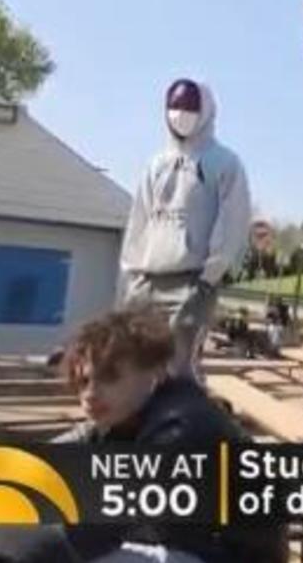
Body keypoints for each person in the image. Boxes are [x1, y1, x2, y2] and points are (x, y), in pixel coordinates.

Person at [47, 309, 284, 562]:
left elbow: (129, 522)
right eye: (83, 381)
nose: (91, 394)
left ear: (156, 372)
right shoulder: (124, 415)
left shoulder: (182, 427)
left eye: (110, 377)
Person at [119, 79, 252, 380]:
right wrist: (131, 273)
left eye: (189, 107)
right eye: (174, 107)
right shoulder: (156, 164)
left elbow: (232, 223)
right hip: (147, 278)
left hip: (192, 280)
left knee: (177, 370)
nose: (180, 114)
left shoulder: (224, 163)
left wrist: (208, 278)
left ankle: (185, 424)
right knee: (135, 366)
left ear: (205, 111)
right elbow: (139, 219)